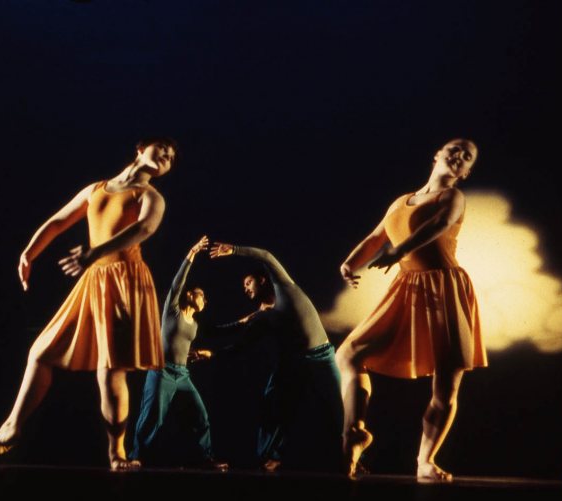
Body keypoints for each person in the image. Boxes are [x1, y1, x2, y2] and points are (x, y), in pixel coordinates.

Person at [0, 138, 176, 470]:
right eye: (162, 149)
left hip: (126, 282)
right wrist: (29, 252)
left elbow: (144, 228)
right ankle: (12, 426)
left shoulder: (150, 197)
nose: (167, 157)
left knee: (110, 371)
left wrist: (94, 253)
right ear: (140, 149)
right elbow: (58, 222)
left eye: (172, 158)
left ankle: (117, 453)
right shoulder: (96, 189)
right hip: (94, 279)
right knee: (40, 352)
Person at [336, 139, 487, 480]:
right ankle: (355, 432)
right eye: (455, 149)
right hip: (408, 287)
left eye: (467, 157)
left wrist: (398, 250)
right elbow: (377, 236)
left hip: (444, 288)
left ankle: (425, 461)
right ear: (437, 154)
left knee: (446, 384)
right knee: (348, 354)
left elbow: (439, 225)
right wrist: (350, 262)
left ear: (465, 172)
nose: (459, 155)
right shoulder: (400, 202)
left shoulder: (452, 197)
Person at [209, 243, 344, 473]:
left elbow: (267, 256)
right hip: (294, 362)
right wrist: (212, 353)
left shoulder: (285, 288)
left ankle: (349, 454)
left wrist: (233, 250)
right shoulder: (262, 317)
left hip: (322, 356)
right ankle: (271, 456)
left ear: (262, 280)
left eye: (248, 282)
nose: (245, 288)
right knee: (273, 404)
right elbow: (240, 345)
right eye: (243, 286)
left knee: (337, 408)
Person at [131, 236, 226, 469]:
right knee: (151, 418)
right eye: (202, 295)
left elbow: (182, 346)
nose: (206, 300)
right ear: (191, 295)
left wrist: (198, 354)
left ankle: (206, 458)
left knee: (200, 416)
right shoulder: (172, 312)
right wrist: (192, 253)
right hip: (161, 371)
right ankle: (136, 456)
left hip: (182, 375)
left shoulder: (194, 325)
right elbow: (177, 283)